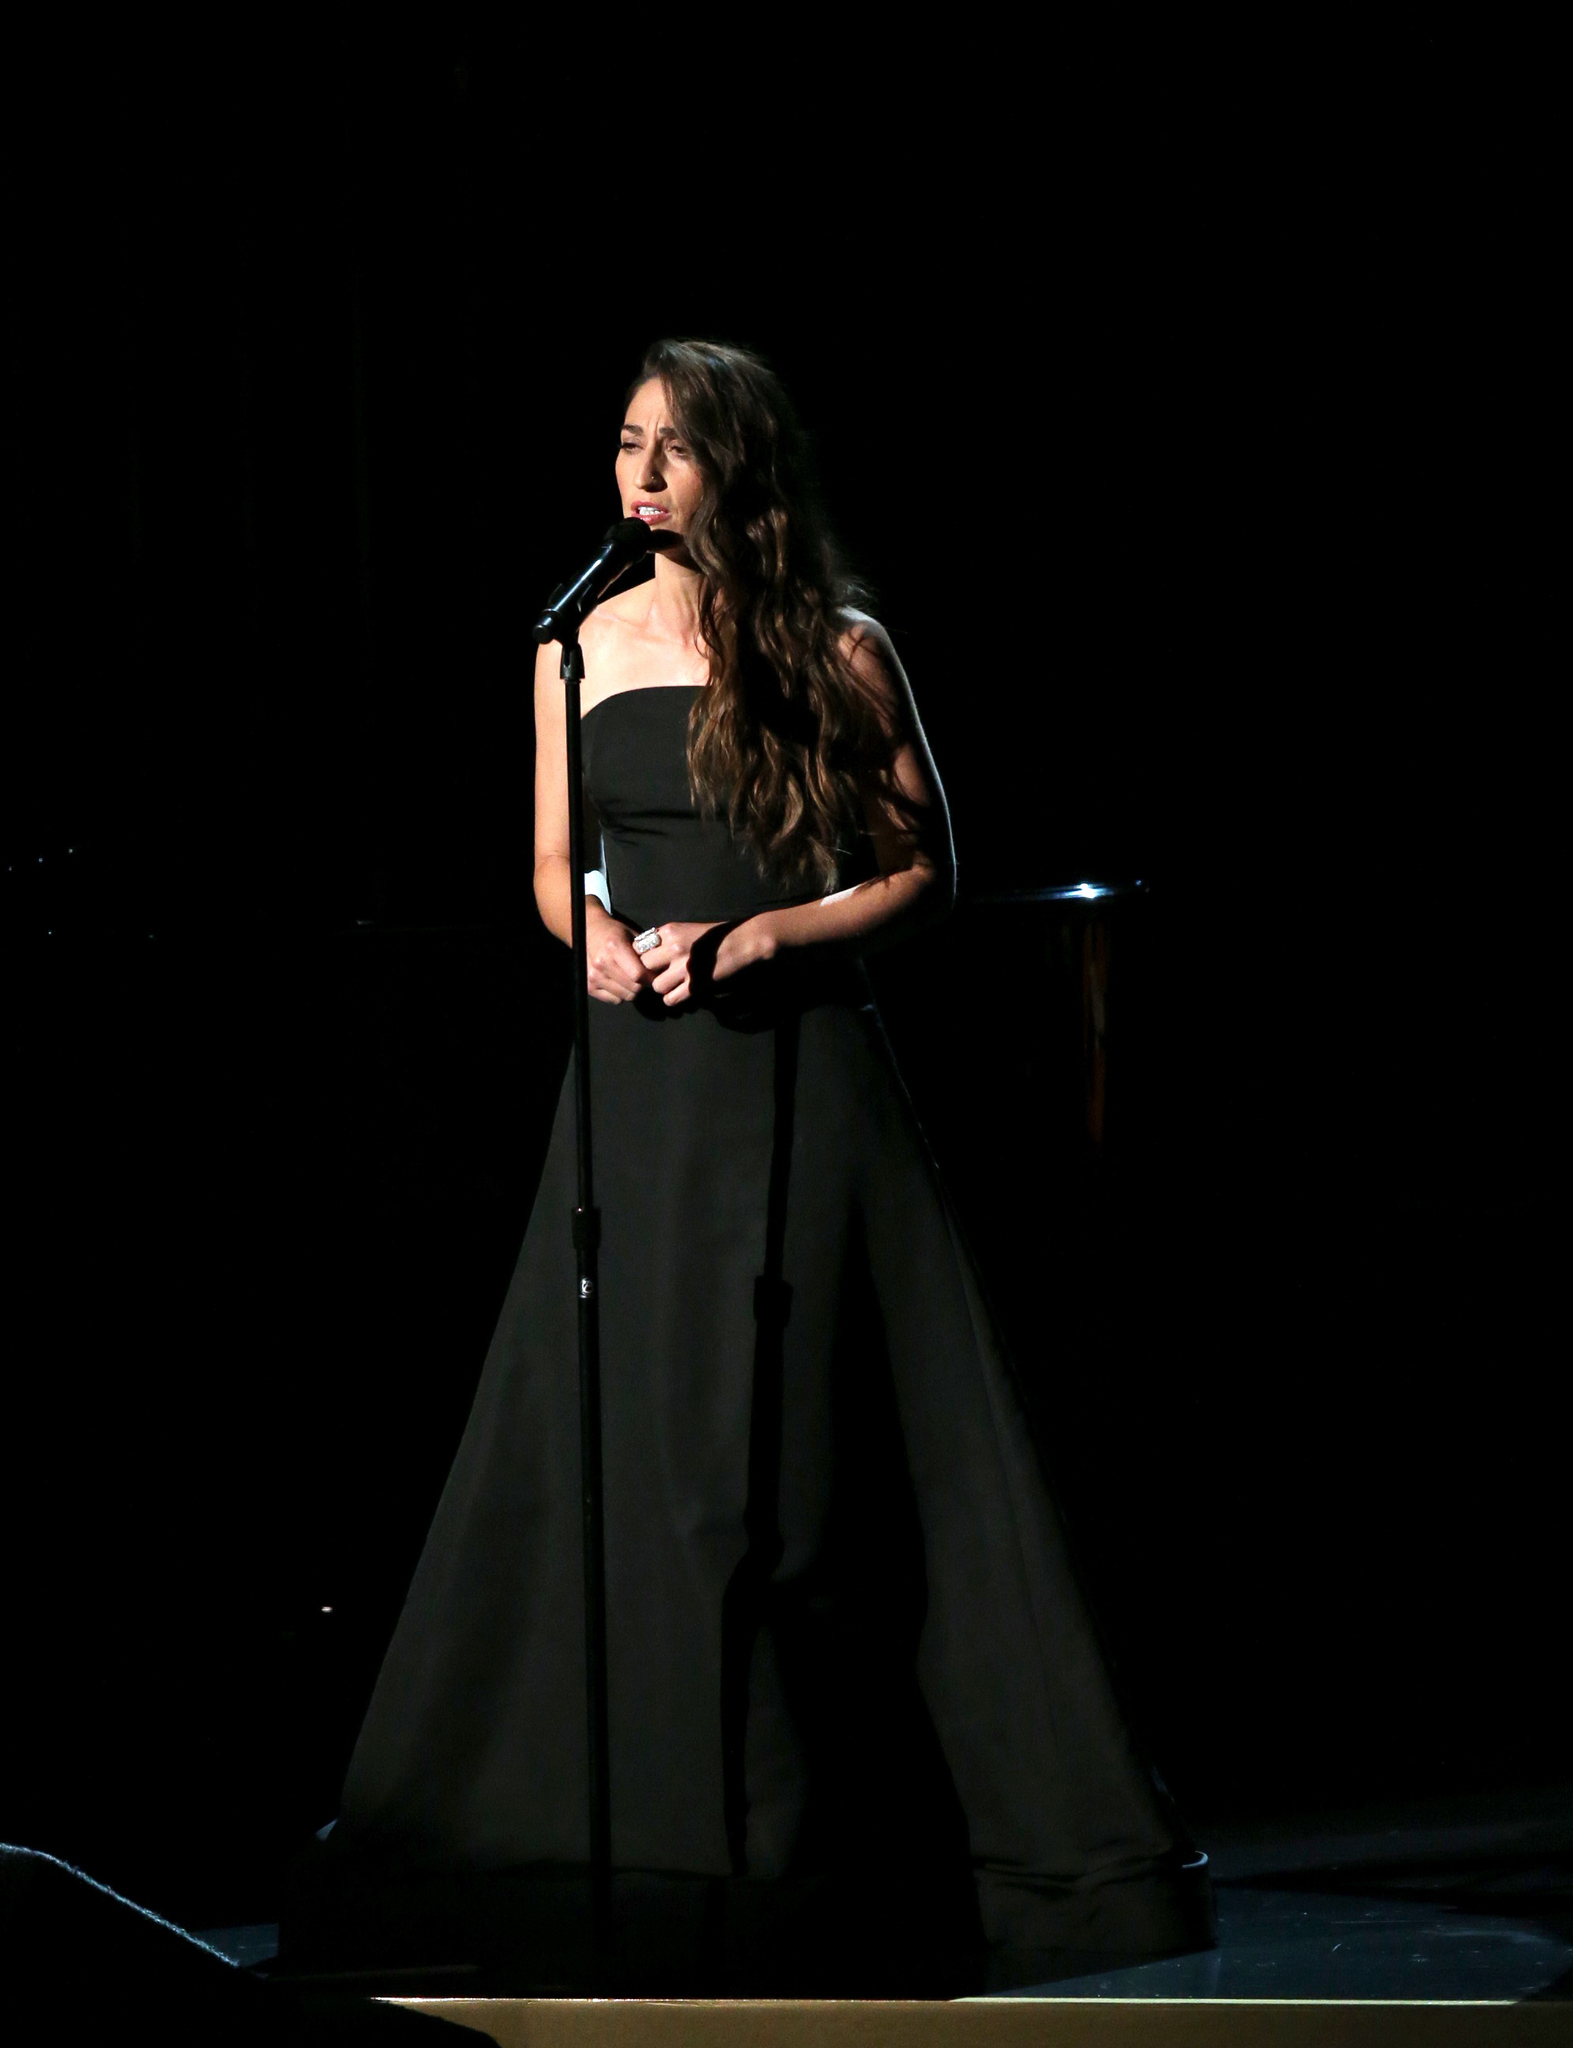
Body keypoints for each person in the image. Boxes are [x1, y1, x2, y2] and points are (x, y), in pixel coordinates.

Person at [290, 339, 1213, 1994]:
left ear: (738, 469)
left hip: (801, 1072)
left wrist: (772, 930)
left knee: (818, 1450)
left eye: (673, 451)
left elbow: (927, 866)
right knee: (637, 1441)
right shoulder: (570, 653)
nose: (639, 478)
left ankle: (853, 1828)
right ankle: (629, 1826)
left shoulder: (835, 649)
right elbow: (550, 863)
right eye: (624, 445)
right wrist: (590, 937)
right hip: (637, 1093)